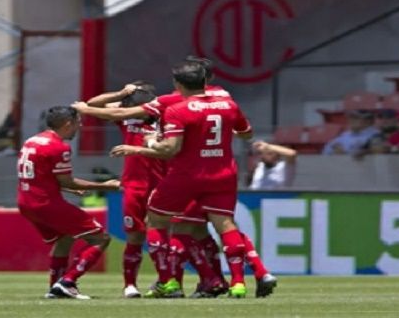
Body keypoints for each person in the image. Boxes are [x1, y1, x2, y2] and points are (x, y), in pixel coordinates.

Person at [74, 56, 274, 299]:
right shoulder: (226, 101)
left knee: (160, 223)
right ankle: (239, 282)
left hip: (186, 176)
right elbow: (246, 134)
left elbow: (169, 149)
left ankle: (170, 282)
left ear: (178, 84)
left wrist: (142, 145)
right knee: (222, 226)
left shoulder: (175, 106)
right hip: (223, 173)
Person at [17, 105, 121, 300]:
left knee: (65, 238)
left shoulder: (31, 141)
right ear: (67, 124)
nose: (79, 126)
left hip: (26, 202)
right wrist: (107, 186)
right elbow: (67, 181)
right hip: (46, 203)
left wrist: (69, 188)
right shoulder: (59, 146)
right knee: (101, 238)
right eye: (78, 122)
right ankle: (68, 281)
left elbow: (41, 177)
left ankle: (55, 288)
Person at [82, 81, 164, 298]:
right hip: (134, 186)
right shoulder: (127, 119)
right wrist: (121, 93)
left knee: (163, 236)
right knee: (135, 237)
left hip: (162, 185)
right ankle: (130, 285)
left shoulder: (166, 117)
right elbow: (94, 103)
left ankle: (166, 280)